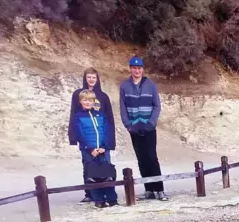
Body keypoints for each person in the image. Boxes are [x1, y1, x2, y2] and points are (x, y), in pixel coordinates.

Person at [119, 56, 167, 201]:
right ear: (130, 69)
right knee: (141, 159)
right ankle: (149, 190)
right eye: (134, 68)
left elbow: (157, 106)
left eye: (139, 68)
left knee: (152, 157)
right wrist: (128, 125)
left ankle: (159, 189)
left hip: (149, 128)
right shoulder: (124, 86)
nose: (137, 70)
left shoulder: (151, 85)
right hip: (134, 128)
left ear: (143, 69)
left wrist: (151, 123)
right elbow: (122, 107)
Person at [68, 67, 116, 203]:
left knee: (105, 166)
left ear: (97, 79)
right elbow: (74, 116)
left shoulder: (103, 96)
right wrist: (73, 137)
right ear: (85, 78)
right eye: (89, 77)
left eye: (93, 77)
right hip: (87, 139)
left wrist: (109, 142)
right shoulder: (78, 94)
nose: (91, 80)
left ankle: (108, 194)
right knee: (88, 166)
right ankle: (90, 193)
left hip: (101, 139)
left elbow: (109, 120)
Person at [74, 90, 117, 208]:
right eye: (85, 100)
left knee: (107, 174)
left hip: (103, 149)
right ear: (81, 101)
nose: (88, 102)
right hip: (89, 150)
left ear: (94, 102)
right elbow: (79, 134)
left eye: (90, 100)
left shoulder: (100, 115)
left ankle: (112, 199)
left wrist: (104, 146)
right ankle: (98, 200)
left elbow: (107, 131)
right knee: (92, 175)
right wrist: (90, 148)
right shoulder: (78, 116)